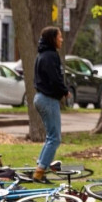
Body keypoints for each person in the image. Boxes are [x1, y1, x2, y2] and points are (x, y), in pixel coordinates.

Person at [32, 27, 68, 182]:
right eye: (59, 37)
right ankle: (39, 173)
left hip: (40, 97)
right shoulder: (51, 56)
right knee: (55, 138)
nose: (62, 39)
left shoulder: (42, 54)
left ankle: (40, 168)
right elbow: (55, 78)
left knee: (50, 137)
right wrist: (64, 91)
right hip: (47, 99)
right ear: (53, 38)